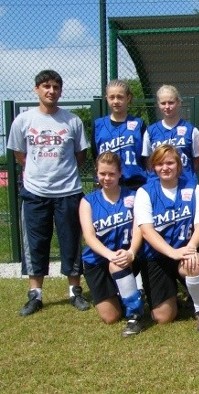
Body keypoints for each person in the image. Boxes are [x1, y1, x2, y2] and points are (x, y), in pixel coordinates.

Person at [8, 69, 91, 316]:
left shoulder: (72, 121)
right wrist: (39, 172)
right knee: (36, 243)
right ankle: (35, 294)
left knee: (71, 242)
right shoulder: (23, 121)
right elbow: (20, 155)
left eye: (55, 87)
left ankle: (75, 291)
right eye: (46, 86)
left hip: (68, 191)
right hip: (35, 192)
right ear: (37, 90)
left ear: (60, 91)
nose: (51, 91)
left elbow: (80, 155)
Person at [134, 144, 199, 332]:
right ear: (154, 167)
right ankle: (172, 296)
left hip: (185, 249)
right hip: (156, 256)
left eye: (170, 162)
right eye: (160, 163)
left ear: (178, 165)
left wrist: (192, 246)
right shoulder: (144, 192)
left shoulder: (194, 189)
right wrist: (172, 252)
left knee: (196, 261)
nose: (165, 167)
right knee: (163, 317)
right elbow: (146, 230)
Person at [79, 152, 144, 337]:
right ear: (96, 173)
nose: (107, 178)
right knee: (111, 317)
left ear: (120, 173)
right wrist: (109, 254)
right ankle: (128, 292)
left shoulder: (134, 196)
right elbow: (89, 237)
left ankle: (135, 314)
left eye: (111, 174)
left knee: (117, 264)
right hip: (97, 261)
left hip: (127, 258)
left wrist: (131, 252)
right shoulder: (88, 201)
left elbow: (139, 227)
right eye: (102, 174)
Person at [94, 79, 147, 189]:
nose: (116, 101)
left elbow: (146, 157)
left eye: (120, 97)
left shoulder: (139, 124)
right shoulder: (99, 125)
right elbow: (96, 154)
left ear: (128, 98)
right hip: (107, 183)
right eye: (112, 97)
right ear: (106, 98)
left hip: (134, 183)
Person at [143, 84, 199, 182]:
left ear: (178, 102)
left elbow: (197, 162)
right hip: (158, 183)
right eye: (163, 103)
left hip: (185, 182)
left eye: (171, 102)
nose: (167, 106)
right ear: (158, 104)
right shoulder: (150, 131)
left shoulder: (191, 130)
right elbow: (148, 161)